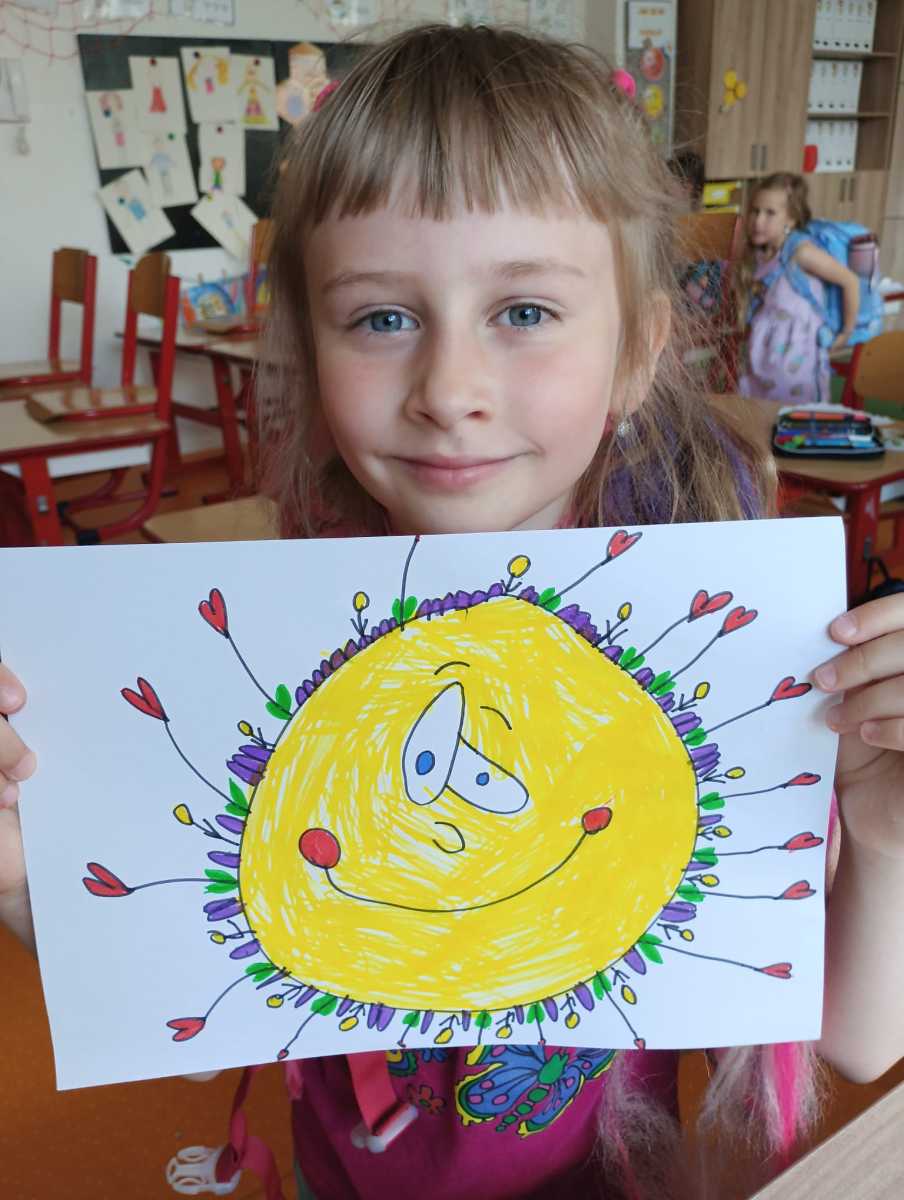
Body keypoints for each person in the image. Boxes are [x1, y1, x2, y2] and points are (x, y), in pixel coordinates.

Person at [2, 24, 904, 1200]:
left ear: (636, 349)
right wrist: (24, 873)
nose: (449, 391)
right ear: (310, 345)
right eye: (382, 318)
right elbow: (179, 984)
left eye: (523, 311)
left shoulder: (721, 658)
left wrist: (880, 835)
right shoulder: (269, 649)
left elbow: (857, 1040)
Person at [737, 172, 860, 404]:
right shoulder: (760, 255)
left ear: (791, 219)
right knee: (757, 417)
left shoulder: (801, 252)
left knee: (793, 419)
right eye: (755, 210)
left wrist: (846, 333)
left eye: (770, 213)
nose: (758, 220)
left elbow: (850, 281)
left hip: (797, 363)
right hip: (761, 359)